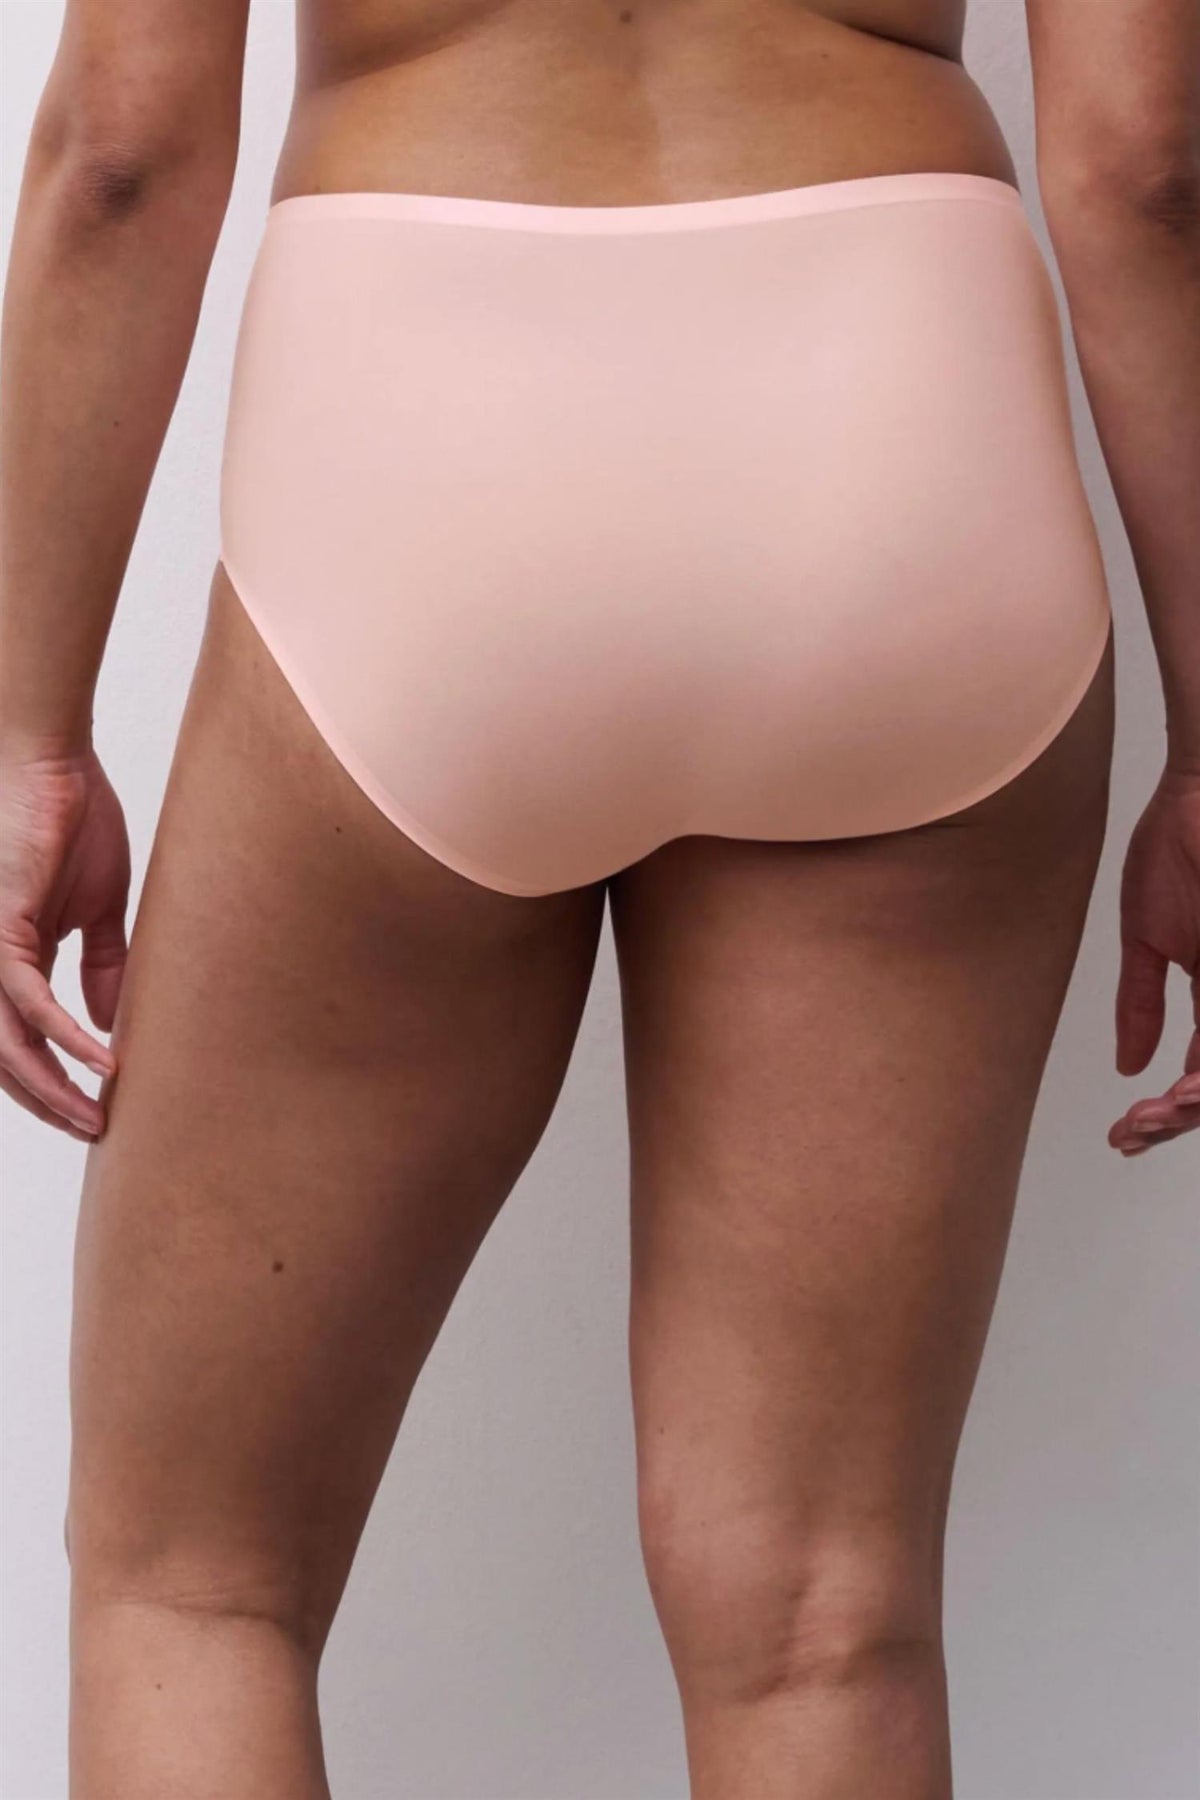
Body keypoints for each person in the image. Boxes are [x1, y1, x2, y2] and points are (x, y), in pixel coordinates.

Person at [0, 0, 1195, 1792]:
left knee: (195, 1581)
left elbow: (122, 148)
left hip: (436, 411)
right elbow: (1149, 168)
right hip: (899, 419)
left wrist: (30, 732)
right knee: (822, 1626)